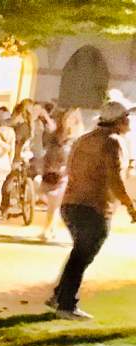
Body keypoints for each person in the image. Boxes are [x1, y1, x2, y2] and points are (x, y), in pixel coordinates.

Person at [49, 101, 136, 320]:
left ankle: (59, 296)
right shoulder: (112, 143)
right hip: (93, 207)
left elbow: (72, 168)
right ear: (117, 120)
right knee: (82, 256)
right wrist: (130, 205)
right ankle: (66, 305)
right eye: (126, 117)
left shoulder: (85, 138)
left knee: (79, 254)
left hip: (71, 204)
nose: (129, 121)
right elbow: (115, 180)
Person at [37, 107, 83, 242]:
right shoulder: (55, 135)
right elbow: (47, 152)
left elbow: (76, 158)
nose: (67, 121)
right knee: (52, 203)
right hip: (51, 172)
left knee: (54, 203)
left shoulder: (77, 139)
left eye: (71, 119)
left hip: (65, 174)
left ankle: (48, 230)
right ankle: (51, 229)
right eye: (66, 118)